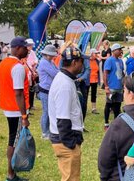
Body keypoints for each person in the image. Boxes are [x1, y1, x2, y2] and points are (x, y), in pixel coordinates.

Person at [48, 46, 88, 181]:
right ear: (74, 62)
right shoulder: (64, 84)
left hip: (66, 138)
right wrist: (71, 144)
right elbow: (62, 119)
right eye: (82, 61)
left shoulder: (66, 79)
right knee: (71, 178)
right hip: (65, 140)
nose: (83, 65)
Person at [0, 36, 30, 181]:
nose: (27, 50)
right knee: (14, 141)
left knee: (13, 139)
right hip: (15, 110)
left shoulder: (3, 63)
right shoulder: (17, 67)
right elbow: (18, 93)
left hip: (7, 107)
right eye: (25, 47)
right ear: (17, 48)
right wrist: (24, 116)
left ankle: (12, 172)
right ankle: (11, 174)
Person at [37, 45, 59, 139]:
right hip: (45, 90)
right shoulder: (44, 62)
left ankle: (49, 130)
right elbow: (55, 73)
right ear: (47, 54)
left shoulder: (50, 61)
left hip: (50, 89)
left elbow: (57, 71)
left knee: (50, 111)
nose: (53, 56)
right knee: (46, 111)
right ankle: (45, 132)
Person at [103, 43, 125, 130]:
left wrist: (124, 83)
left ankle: (116, 123)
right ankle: (106, 123)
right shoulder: (109, 60)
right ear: (114, 51)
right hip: (111, 87)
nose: (120, 51)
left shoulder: (120, 61)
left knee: (117, 105)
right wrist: (106, 87)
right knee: (108, 104)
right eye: (119, 49)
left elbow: (122, 73)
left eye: (121, 49)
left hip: (119, 88)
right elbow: (105, 73)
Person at [24, 38, 38, 110]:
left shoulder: (32, 52)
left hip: (32, 72)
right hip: (27, 73)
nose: (31, 46)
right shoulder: (24, 53)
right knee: (27, 90)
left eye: (31, 45)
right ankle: (27, 105)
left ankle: (31, 104)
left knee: (32, 89)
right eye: (30, 45)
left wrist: (35, 63)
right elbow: (26, 63)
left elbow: (36, 59)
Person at [76, 54, 90, 123]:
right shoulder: (65, 56)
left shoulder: (84, 57)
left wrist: (81, 78)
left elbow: (87, 69)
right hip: (70, 81)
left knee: (83, 103)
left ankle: (82, 123)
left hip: (81, 82)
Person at [89, 48, 100, 114]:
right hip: (88, 80)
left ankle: (94, 108)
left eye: (97, 53)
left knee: (94, 94)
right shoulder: (87, 61)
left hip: (95, 80)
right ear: (91, 54)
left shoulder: (97, 61)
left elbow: (98, 71)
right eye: (95, 53)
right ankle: (84, 107)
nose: (96, 54)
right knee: (86, 94)